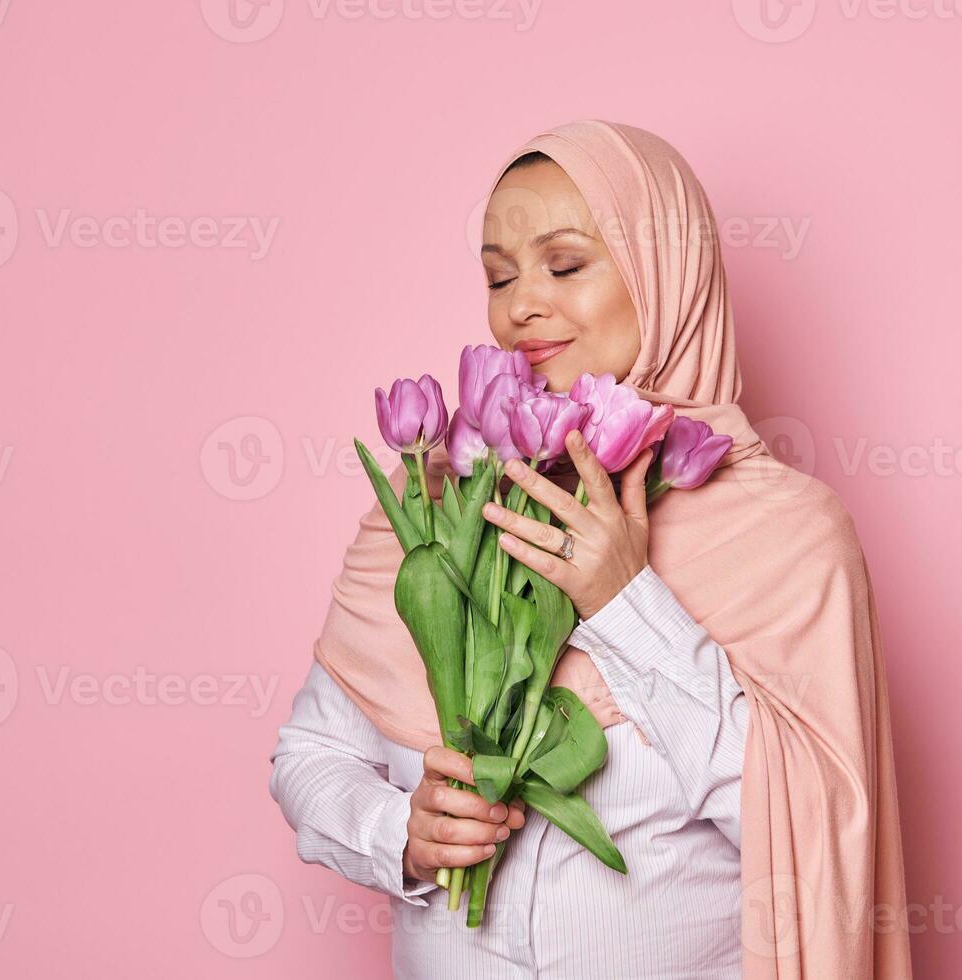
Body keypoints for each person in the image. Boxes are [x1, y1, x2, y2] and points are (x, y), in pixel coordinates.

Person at [270, 119, 912, 979]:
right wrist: (400, 837)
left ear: (665, 277)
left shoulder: (785, 537)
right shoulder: (441, 509)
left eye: (563, 265)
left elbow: (806, 834)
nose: (518, 306)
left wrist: (624, 602)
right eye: (498, 276)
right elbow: (312, 755)